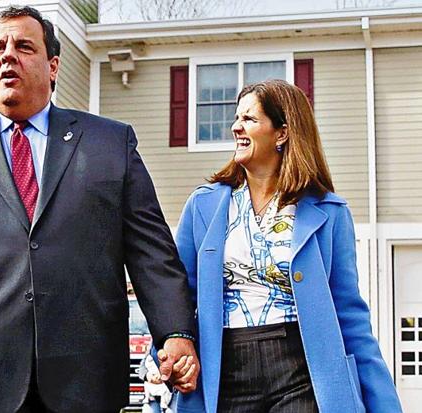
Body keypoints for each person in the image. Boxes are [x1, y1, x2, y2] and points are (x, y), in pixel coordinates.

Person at [0, 5, 199, 413]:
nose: (7, 55)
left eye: (23, 46)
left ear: (53, 66)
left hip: (84, 374)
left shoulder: (110, 144)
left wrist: (175, 332)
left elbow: (151, 252)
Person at [169, 79, 402, 412]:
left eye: (249, 119)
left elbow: (348, 313)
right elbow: (180, 295)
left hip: (302, 372)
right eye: (236, 118)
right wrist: (170, 349)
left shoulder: (329, 212)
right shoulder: (203, 206)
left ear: (282, 132)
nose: (236, 127)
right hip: (224, 370)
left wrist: (384, 404)